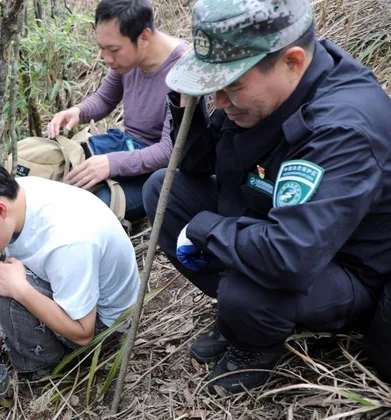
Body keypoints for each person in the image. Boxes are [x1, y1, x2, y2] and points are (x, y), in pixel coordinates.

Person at [142, 0, 391, 392]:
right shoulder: (268, 88)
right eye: (214, 88)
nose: (220, 102)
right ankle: (240, 313)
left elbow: (291, 256)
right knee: (164, 189)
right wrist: (183, 104)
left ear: (292, 62)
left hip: (336, 266)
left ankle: (255, 340)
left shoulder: (345, 128)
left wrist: (208, 229)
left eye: (232, 86)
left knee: (248, 286)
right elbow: (193, 166)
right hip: (272, 221)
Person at [0, 157, 140, 378]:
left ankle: (42, 371)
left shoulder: (68, 240)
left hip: (107, 327)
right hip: (86, 295)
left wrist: (19, 291)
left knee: (8, 294)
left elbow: (84, 334)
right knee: (6, 284)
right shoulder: (21, 196)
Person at [47, 0, 187, 223]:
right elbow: (105, 99)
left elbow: (170, 151)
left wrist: (111, 164)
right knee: (52, 167)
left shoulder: (184, 71)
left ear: (144, 38)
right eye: (102, 48)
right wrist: (77, 111)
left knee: (91, 208)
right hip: (126, 146)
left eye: (112, 50)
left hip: (160, 173)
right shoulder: (126, 61)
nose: (106, 58)